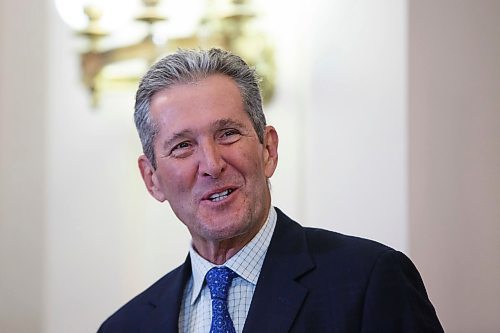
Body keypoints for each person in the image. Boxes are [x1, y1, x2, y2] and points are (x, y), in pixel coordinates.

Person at [98, 48, 443, 332]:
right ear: (152, 178)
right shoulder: (126, 326)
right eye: (183, 146)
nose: (211, 164)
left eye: (228, 133)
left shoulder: (370, 281)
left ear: (268, 149)